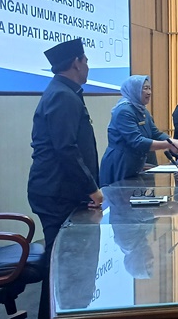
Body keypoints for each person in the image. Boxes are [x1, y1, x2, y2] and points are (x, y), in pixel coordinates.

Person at [27, 38, 103, 319]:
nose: (88, 66)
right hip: (55, 192)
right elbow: (66, 150)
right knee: (61, 265)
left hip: (60, 190)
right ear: (76, 63)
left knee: (64, 264)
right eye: (86, 61)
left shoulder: (65, 92)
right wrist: (92, 189)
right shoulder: (62, 95)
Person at [100, 75, 178, 186]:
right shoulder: (124, 111)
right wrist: (169, 144)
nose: (149, 92)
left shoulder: (142, 110)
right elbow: (137, 141)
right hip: (120, 164)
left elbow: (155, 134)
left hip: (135, 164)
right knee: (119, 195)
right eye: (145, 88)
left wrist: (174, 141)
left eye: (149, 88)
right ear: (134, 90)